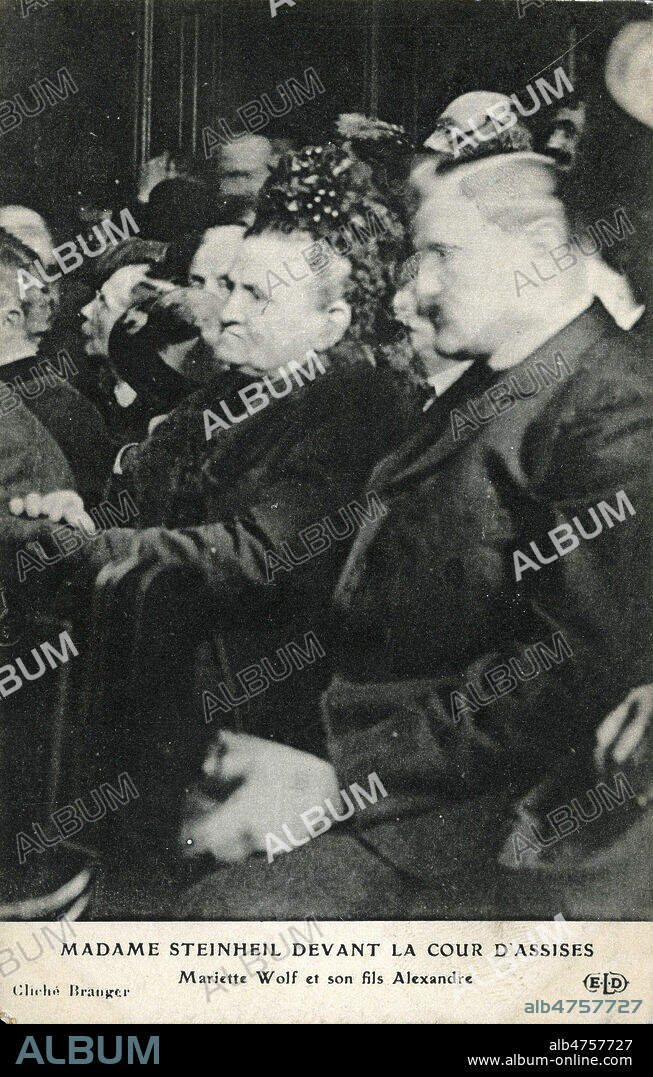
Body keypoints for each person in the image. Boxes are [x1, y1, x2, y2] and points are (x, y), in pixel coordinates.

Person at [176, 148, 650, 920]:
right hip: (394, 777)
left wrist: (341, 778)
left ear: (536, 249)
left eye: (441, 254)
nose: (415, 289)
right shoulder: (498, 386)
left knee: (220, 921)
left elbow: (565, 672)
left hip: (469, 827)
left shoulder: (613, 403)